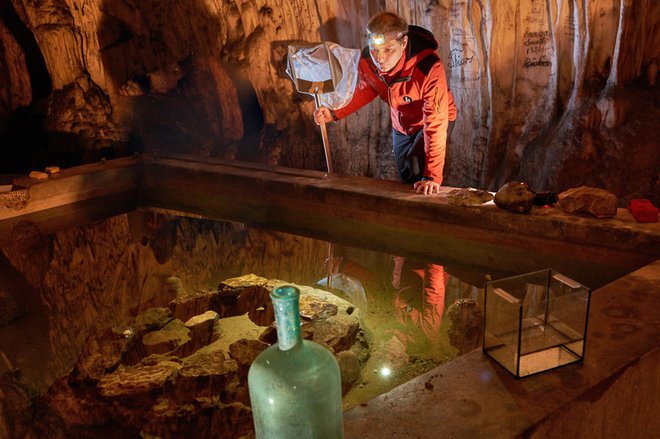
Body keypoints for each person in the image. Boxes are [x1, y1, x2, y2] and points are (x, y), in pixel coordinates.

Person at [313, 11, 457, 195]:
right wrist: (334, 113)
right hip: (402, 123)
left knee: (418, 168)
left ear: (403, 43)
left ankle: (425, 210)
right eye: (375, 49)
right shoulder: (369, 60)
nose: (379, 58)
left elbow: (435, 123)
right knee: (406, 173)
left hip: (434, 119)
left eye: (388, 49)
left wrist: (432, 176)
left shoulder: (429, 68)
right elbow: (368, 88)